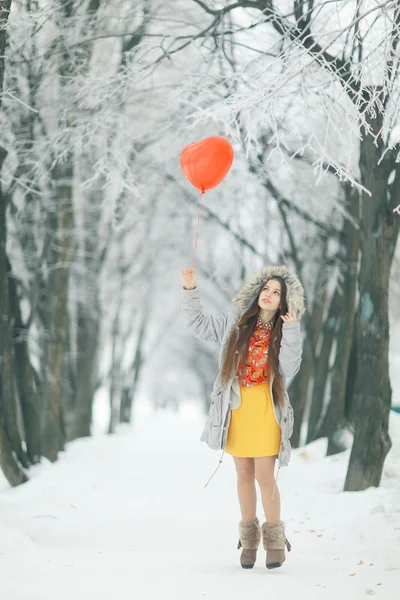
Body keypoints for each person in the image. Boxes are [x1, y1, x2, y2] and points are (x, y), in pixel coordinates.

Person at [180, 265, 305, 570]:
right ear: (257, 292)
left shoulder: (285, 330)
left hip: (266, 407)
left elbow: (289, 368)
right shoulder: (235, 325)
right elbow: (198, 324)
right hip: (237, 408)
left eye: (277, 293)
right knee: (243, 475)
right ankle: (249, 540)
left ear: (284, 302)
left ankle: (274, 541)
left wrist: (291, 328)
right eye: (266, 289)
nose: (269, 295)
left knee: (265, 475)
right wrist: (191, 289)